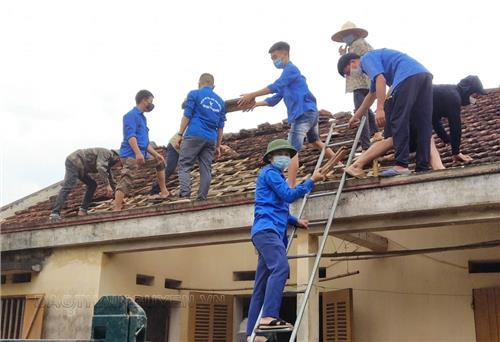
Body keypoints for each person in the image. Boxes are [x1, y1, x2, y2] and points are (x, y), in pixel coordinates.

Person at [246, 139, 324, 340]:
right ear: (271, 157)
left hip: (267, 232)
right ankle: (269, 316)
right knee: (281, 268)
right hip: (268, 232)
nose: (285, 157)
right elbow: (289, 196)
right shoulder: (271, 173)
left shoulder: (274, 176)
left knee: (261, 285)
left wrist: (295, 220)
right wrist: (311, 181)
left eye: (287, 154)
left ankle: (253, 335)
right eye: (280, 153)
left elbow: (277, 207)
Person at [238, 41, 339, 187]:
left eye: (275, 57)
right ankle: (340, 163)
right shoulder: (288, 79)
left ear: (285, 53)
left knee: (291, 150)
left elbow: (275, 86)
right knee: (315, 142)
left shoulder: (291, 70)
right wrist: (255, 104)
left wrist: (252, 94)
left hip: (302, 113)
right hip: (310, 112)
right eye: (272, 59)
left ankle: (290, 186)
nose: (274, 61)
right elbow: (274, 99)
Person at [337, 49, 433, 177]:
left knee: (399, 120)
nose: (351, 75)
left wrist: (380, 109)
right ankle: (422, 167)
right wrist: (357, 116)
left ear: (353, 62)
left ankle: (401, 165)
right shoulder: (375, 66)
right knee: (423, 124)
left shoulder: (366, 59)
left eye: (348, 72)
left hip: (407, 77)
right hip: (424, 75)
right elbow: (372, 95)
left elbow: (381, 80)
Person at [114, 90, 170, 211]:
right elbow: (131, 136)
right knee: (127, 178)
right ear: (144, 100)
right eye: (151, 100)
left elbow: (145, 143)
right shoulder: (130, 115)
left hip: (142, 154)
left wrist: (156, 155)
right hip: (130, 155)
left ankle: (164, 192)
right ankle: (117, 207)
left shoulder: (142, 119)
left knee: (160, 162)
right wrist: (138, 153)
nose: (151, 103)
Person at [331, 21, 382, 150]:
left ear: (353, 33)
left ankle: (365, 144)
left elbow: (365, 59)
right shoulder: (354, 45)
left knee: (360, 112)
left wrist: (346, 57)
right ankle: (376, 133)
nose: (344, 39)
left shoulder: (359, 44)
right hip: (364, 82)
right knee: (366, 108)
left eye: (346, 35)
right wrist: (344, 55)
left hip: (361, 82)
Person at [177, 73, 226, 200]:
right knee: (206, 169)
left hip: (194, 133)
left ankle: (185, 196)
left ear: (199, 83)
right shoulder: (221, 102)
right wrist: (218, 146)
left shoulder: (194, 94)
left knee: (184, 165)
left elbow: (187, 115)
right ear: (213, 86)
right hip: (211, 138)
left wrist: (180, 134)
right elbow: (221, 127)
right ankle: (202, 197)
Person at [49, 148, 121, 221]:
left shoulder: (108, 163)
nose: (118, 163)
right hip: (75, 161)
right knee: (68, 186)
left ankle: (83, 210)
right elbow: (100, 167)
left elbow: (111, 179)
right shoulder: (107, 153)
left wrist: (118, 196)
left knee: (92, 184)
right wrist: (107, 185)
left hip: (81, 168)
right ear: (116, 156)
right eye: (119, 160)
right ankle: (55, 213)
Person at [433, 75, 487, 163]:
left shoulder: (446, 92)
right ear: (468, 90)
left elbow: (434, 120)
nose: (475, 99)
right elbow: (455, 126)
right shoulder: (453, 96)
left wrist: (447, 140)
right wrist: (456, 152)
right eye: (475, 94)